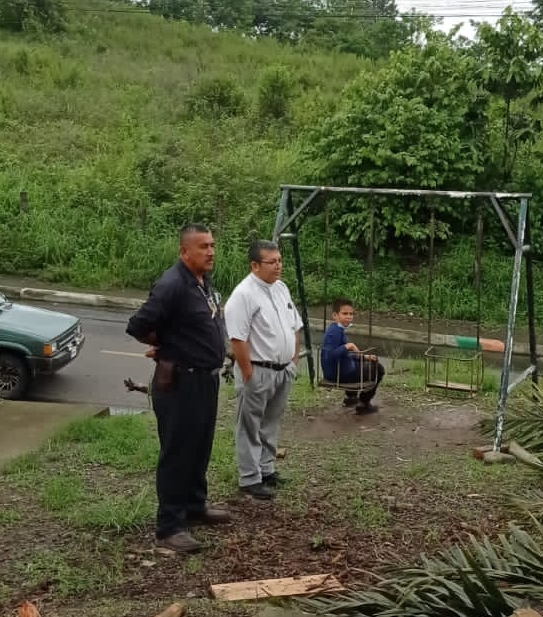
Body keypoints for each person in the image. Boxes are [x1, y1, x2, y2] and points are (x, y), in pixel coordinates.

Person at [125, 223, 232, 554]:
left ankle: (195, 506)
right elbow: (138, 325)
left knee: (200, 446)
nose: (210, 252)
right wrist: (166, 344)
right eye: (203, 247)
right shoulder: (171, 285)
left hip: (205, 379)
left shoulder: (202, 281)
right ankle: (169, 527)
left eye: (212, 245)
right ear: (185, 251)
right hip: (180, 381)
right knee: (178, 452)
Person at [225, 239, 303, 501]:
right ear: (255, 265)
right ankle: (250, 477)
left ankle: (266, 468)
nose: (278, 266)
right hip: (258, 369)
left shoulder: (281, 288)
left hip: (282, 370)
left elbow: (295, 326)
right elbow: (238, 338)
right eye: (272, 262)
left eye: (280, 260)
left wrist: (293, 361)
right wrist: (248, 372)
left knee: (271, 421)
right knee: (250, 424)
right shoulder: (243, 295)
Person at [321, 299, 385, 414]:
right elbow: (330, 355)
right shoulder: (335, 332)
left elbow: (345, 354)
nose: (349, 317)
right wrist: (348, 345)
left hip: (340, 370)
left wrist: (364, 357)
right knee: (379, 369)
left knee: (365, 362)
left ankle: (351, 398)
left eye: (351, 314)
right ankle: (363, 404)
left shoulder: (336, 328)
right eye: (345, 313)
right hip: (338, 374)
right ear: (335, 315)